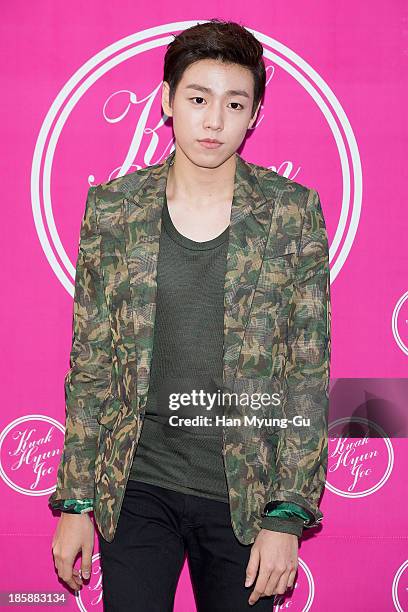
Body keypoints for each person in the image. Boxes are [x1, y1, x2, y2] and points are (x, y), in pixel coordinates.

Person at [49, 18, 331, 611]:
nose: (213, 120)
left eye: (234, 103)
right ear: (167, 101)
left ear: (254, 114)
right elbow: (92, 362)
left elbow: (306, 372)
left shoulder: (291, 214)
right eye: (198, 99)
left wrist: (287, 510)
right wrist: (76, 501)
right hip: (136, 484)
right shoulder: (114, 210)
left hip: (245, 497)